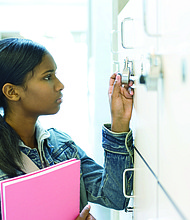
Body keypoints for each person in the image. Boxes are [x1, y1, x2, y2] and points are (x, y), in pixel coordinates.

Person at [0, 38, 134, 219]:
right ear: (12, 92)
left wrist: (119, 121)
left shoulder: (60, 144)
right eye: (47, 77)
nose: (59, 85)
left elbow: (114, 197)